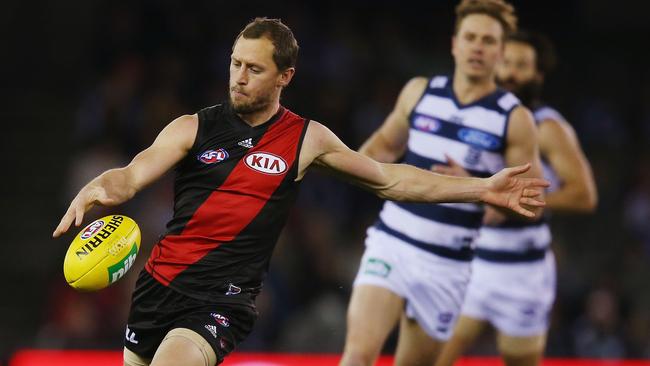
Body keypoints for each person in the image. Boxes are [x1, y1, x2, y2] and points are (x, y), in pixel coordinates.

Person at [52, 18, 548, 366]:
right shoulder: (191, 127)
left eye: (254, 69)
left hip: (220, 302)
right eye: (235, 64)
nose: (239, 78)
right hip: (155, 290)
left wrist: (482, 187)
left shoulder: (307, 140)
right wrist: (103, 184)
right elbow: (135, 173)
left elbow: (393, 177)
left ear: (285, 76)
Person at [340, 1, 547, 366]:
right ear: (455, 43)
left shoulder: (515, 120)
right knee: (357, 356)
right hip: (392, 244)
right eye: (470, 37)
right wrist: (348, 167)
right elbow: (381, 148)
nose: (478, 47)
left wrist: (475, 186)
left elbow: (528, 206)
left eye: (488, 40)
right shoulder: (420, 92)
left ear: (500, 51)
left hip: (448, 264)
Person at [433, 31, 598, 366]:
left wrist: (518, 201)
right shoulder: (478, 117)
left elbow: (585, 196)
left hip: (522, 272)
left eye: (521, 65)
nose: (510, 73)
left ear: (537, 75)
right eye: (506, 62)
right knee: (434, 358)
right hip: (471, 261)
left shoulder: (547, 126)